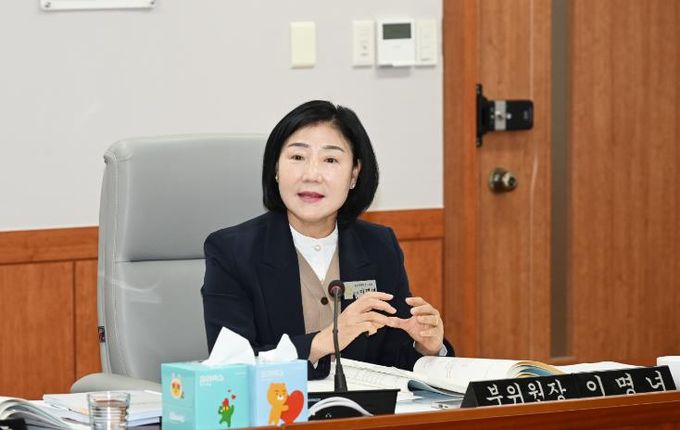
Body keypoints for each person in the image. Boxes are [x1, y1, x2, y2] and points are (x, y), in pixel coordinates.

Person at [201, 100, 454, 379]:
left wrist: (427, 347)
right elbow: (232, 366)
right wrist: (324, 341)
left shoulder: (379, 246)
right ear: (275, 169)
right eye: (298, 157)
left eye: (330, 160)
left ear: (354, 174)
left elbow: (393, 361)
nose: (312, 175)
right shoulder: (232, 252)